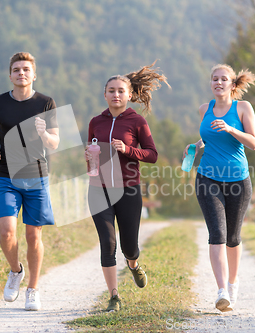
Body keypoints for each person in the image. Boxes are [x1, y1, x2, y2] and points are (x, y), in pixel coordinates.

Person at [85, 62, 169, 312]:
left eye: (121, 90)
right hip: (99, 189)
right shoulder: (95, 122)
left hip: (129, 189)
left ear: (129, 94)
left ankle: (133, 264)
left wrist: (127, 149)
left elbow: (152, 155)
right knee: (107, 243)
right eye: (111, 90)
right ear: (105, 94)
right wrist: (90, 157)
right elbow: (91, 160)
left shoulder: (137, 121)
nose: (116, 94)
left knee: (129, 246)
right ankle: (114, 296)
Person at [0, 52, 59, 311]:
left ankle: (33, 290)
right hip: (7, 176)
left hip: (37, 176)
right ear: (10, 75)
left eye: (26, 69)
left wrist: (44, 134)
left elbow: (55, 142)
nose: (21, 73)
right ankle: (16, 271)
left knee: (32, 235)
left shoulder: (46, 103)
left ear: (34, 74)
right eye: (16, 69)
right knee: (6, 232)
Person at [184, 64, 255, 312]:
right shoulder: (204, 109)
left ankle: (233, 284)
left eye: (223, 79)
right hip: (208, 178)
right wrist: (195, 146)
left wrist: (231, 128)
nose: (218, 82)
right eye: (214, 79)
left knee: (233, 238)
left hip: (238, 180)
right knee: (217, 234)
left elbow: (254, 143)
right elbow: (209, 136)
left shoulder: (243, 108)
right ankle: (221, 292)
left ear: (232, 84)